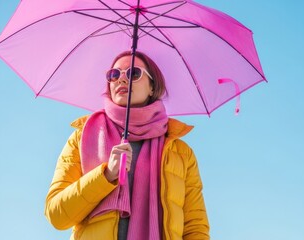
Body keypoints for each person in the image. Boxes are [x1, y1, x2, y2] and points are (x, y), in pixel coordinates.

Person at [45, 51, 210, 240]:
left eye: (133, 73)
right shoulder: (81, 138)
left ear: (152, 87)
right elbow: (56, 215)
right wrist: (106, 176)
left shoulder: (180, 153)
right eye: (114, 75)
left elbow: (195, 227)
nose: (121, 80)